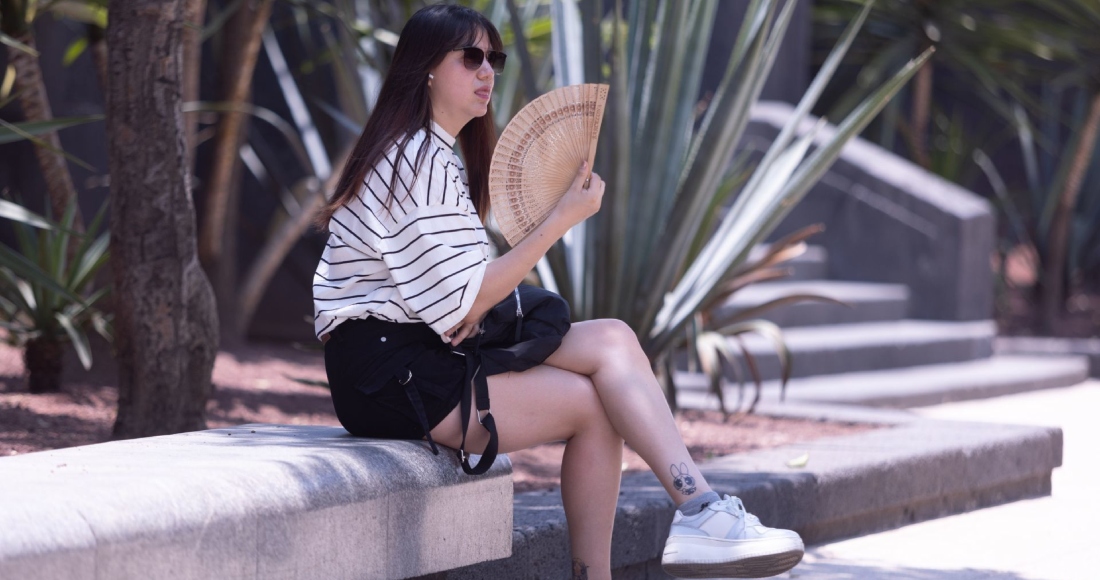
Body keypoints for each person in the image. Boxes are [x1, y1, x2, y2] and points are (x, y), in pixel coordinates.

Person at [312, 4, 804, 579]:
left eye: (494, 58)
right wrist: (561, 220)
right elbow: (462, 304)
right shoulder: (412, 158)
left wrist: (476, 301)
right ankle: (695, 518)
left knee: (611, 347)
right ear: (423, 68)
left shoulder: (431, 153)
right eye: (470, 57)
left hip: (410, 355)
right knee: (596, 399)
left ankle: (697, 513)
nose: (487, 72)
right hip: (388, 373)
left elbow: (465, 302)